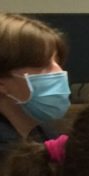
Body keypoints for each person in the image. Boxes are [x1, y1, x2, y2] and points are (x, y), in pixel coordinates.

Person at [0, 13, 70, 160]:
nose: (60, 72)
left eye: (57, 61)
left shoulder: (43, 133)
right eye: (41, 64)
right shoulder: (7, 155)